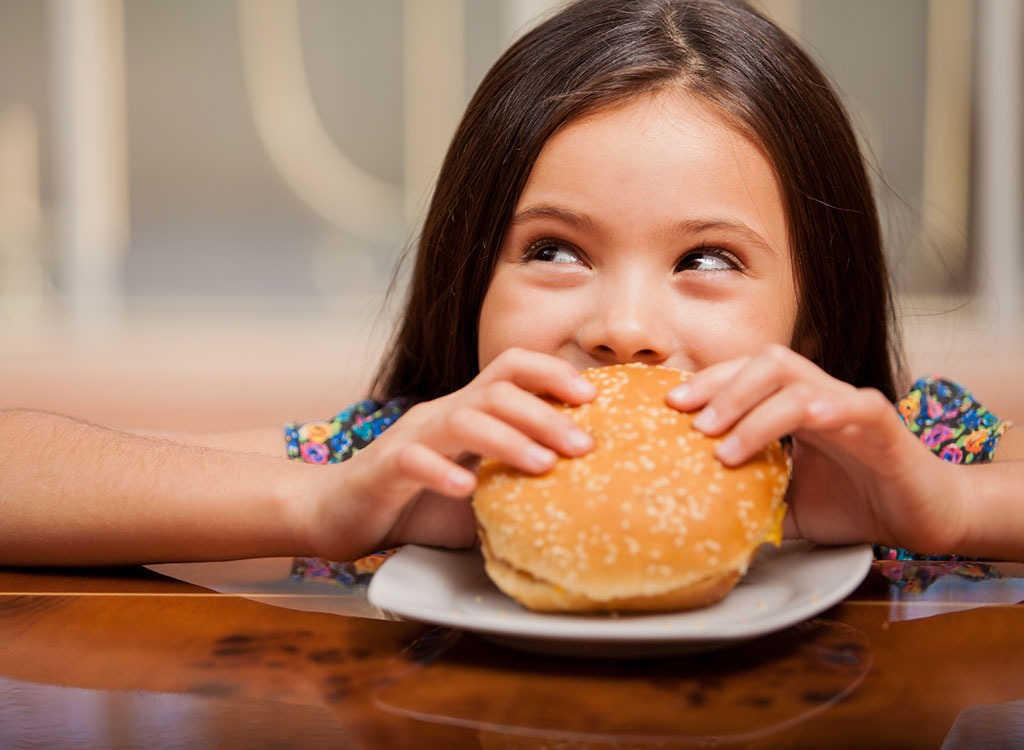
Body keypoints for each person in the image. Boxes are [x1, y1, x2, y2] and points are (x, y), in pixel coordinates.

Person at [1, 0, 1020, 569]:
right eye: (554, 250)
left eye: (706, 261)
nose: (623, 328)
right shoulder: (405, 464)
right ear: (467, 276)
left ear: (815, 299)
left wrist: (950, 512)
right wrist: (333, 509)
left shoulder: (900, 459)